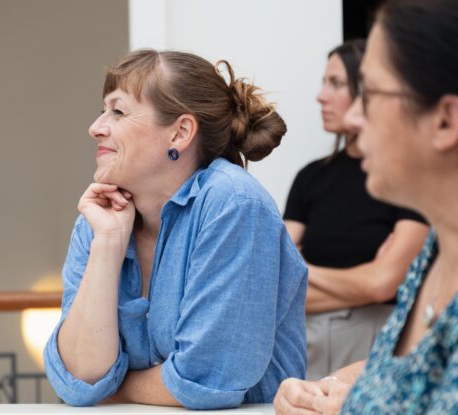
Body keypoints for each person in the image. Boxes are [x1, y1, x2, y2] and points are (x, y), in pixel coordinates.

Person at [43, 49, 308, 410]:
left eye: (118, 112)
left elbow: (206, 383)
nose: (96, 127)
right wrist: (108, 244)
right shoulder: (100, 218)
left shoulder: (233, 203)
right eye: (103, 110)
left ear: (180, 133)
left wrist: (114, 390)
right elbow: (78, 380)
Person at [274, 0, 458, 412]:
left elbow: (378, 284)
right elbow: (402, 370)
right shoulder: (435, 251)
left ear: (445, 120)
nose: (354, 118)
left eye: (367, 94)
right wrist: (330, 388)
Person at [283, 39, 429, 380]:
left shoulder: (406, 179)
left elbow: (383, 283)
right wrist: (362, 284)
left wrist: (302, 270)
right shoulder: (310, 177)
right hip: (305, 341)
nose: (321, 96)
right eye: (323, 82)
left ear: (367, 92)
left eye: (335, 83)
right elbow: (276, 283)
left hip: (373, 341)